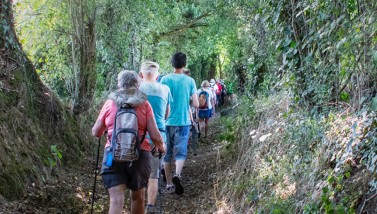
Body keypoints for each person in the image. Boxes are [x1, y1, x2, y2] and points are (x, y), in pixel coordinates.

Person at [92, 70, 165, 214]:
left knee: (116, 199)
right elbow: (155, 136)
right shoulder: (144, 105)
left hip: (113, 154)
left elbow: (96, 132)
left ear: (119, 84)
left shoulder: (109, 103)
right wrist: (162, 146)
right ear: (138, 85)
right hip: (140, 156)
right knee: (138, 197)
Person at [160, 52, 199, 195]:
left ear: (172, 64)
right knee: (181, 151)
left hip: (167, 121)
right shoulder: (190, 81)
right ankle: (178, 174)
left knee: (167, 153)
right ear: (185, 64)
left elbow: (161, 99)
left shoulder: (164, 79)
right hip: (183, 121)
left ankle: (169, 184)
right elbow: (195, 103)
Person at [139, 61, 172, 213]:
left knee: (137, 173)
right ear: (157, 76)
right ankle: (150, 207)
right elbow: (167, 114)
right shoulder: (165, 89)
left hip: (138, 137)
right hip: (158, 135)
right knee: (154, 173)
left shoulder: (136, 89)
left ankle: (136, 204)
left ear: (141, 75)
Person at [184, 69, 199, 155]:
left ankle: (190, 147)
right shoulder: (190, 83)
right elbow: (195, 103)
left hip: (187, 112)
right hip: (189, 112)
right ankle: (193, 149)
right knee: (193, 130)